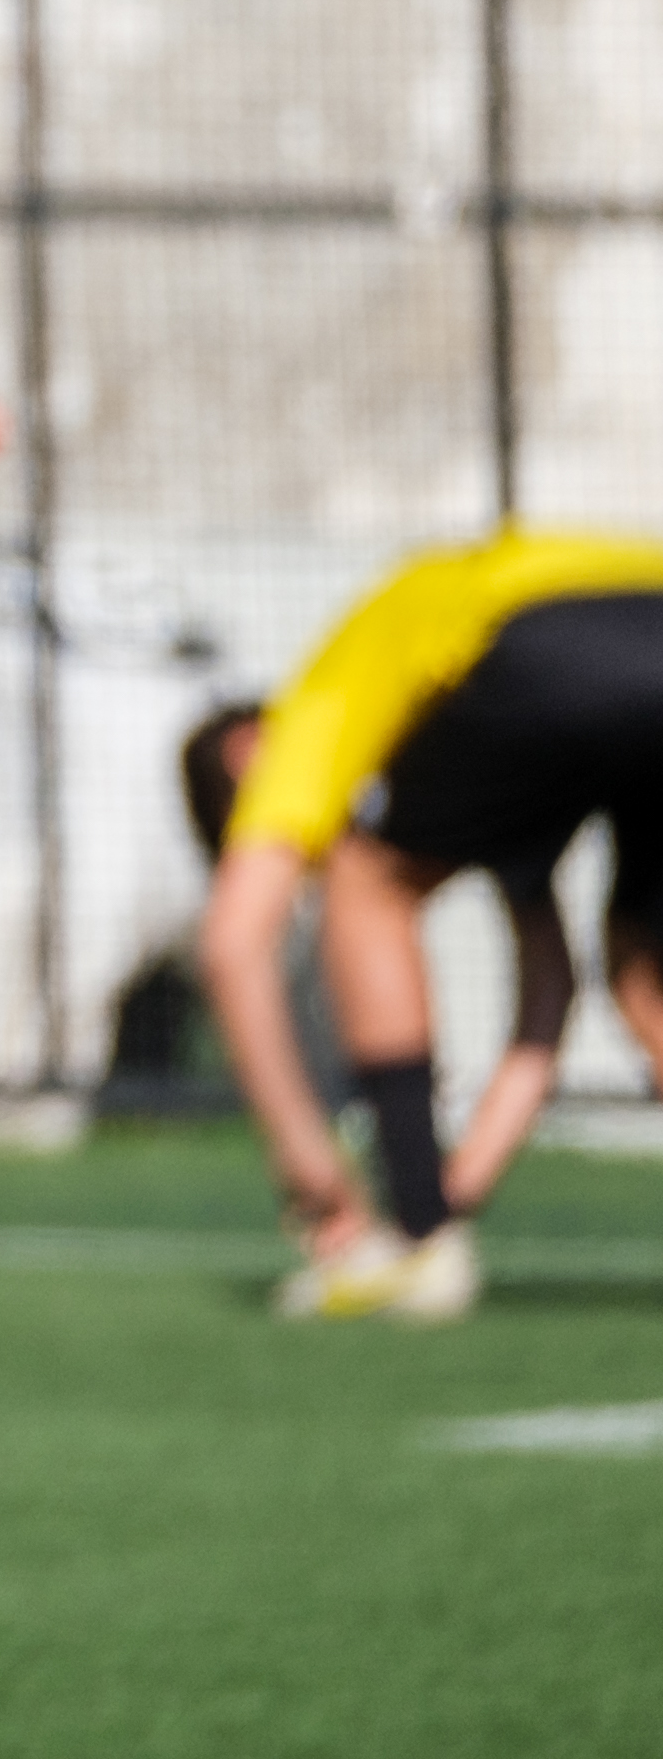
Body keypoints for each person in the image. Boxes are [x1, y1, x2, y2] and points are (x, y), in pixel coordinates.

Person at [180, 525, 663, 1324]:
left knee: (367, 880)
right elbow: (550, 990)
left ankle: (413, 1244)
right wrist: (453, 1189)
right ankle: (423, 1226)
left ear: (245, 754)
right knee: (644, 974)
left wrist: (308, 1161)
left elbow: (233, 945)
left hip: (546, 635)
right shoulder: (484, 767)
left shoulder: (319, 704)